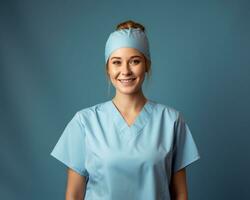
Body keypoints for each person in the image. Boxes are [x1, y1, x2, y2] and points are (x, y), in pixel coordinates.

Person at [50, 20, 201, 200]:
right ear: (108, 68)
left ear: (147, 65)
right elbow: (73, 195)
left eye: (135, 61)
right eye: (116, 62)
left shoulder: (171, 121)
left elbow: (181, 195)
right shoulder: (85, 122)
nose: (125, 71)